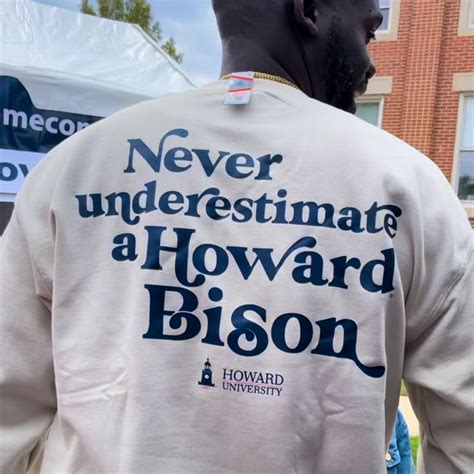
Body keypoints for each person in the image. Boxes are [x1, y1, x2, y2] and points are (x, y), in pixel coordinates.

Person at [0, 0, 472, 472]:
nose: (370, 63)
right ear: (308, 11)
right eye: (367, 32)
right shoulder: (410, 188)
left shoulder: (73, 169)